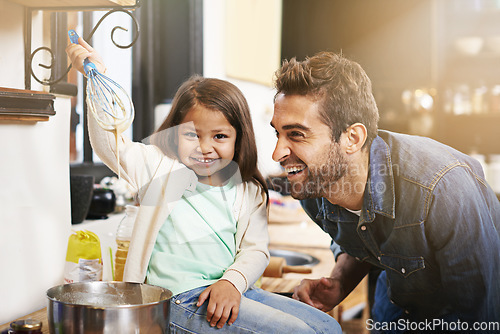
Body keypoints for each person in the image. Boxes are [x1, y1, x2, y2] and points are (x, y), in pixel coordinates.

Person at [66, 39, 341, 333]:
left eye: (219, 136)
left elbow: (255, 251)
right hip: (174, 300)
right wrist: (97, 78)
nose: (205, 148)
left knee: (327, 327)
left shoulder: (249, 190)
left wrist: (230, 283)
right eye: (192, 135)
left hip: (232, 291)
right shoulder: (158, 166)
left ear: (238, 138)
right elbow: (110, 145)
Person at [271, 51, 500, 332]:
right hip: (395, 308)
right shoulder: (315, 186)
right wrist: (340, 282)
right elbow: (359, 239)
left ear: (352, 138)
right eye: (277, 134)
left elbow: (480, 317)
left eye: (296, 134)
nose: (277, 153)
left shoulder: (443, 190)